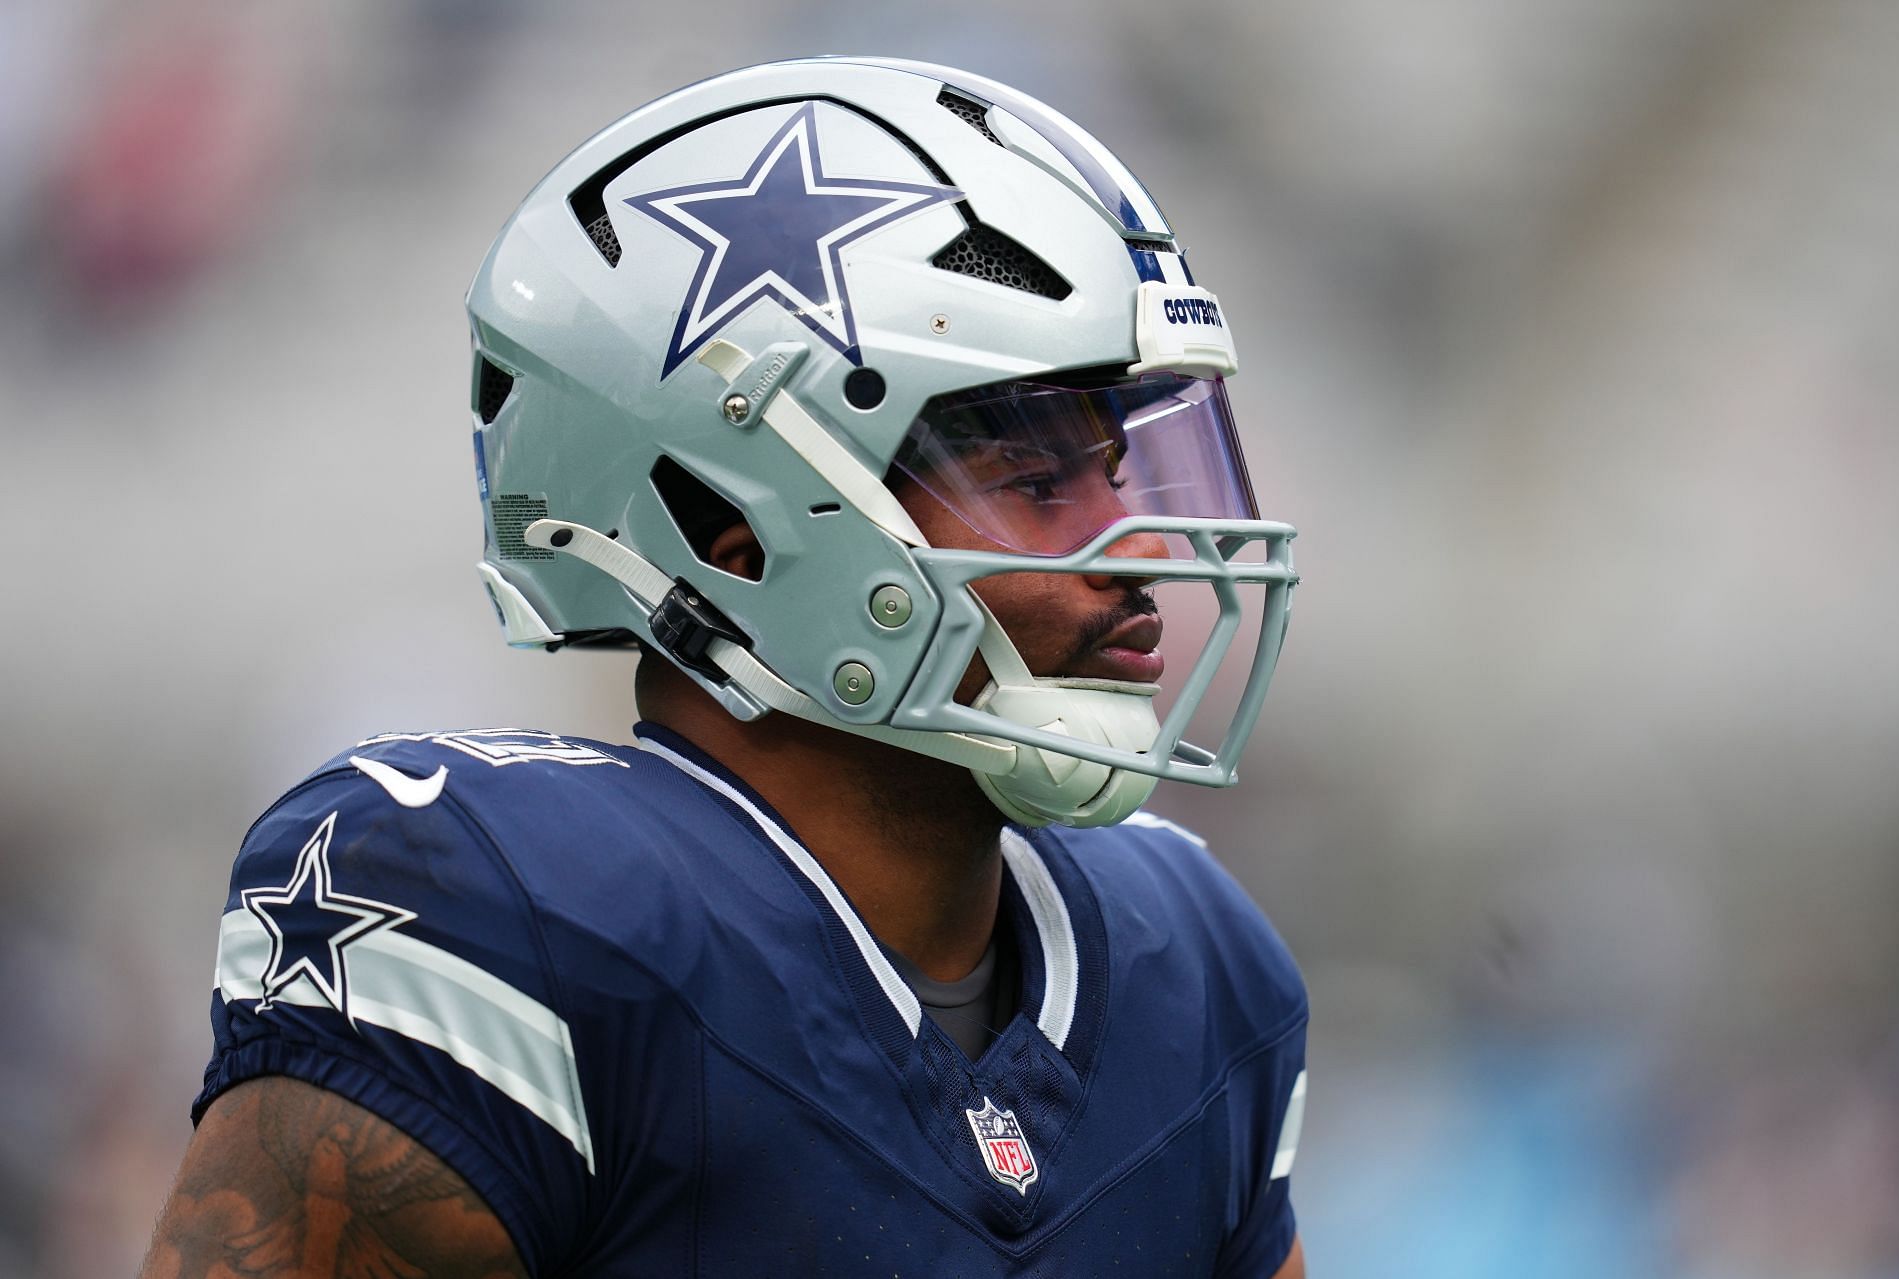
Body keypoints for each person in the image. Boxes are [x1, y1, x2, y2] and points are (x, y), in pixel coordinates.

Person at [143, 56, 1309, 1278]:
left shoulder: (1193, 965)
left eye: (1115, 474)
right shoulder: (501, 911)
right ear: (733, 532)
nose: (1141, 557)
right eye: (1031, 481)